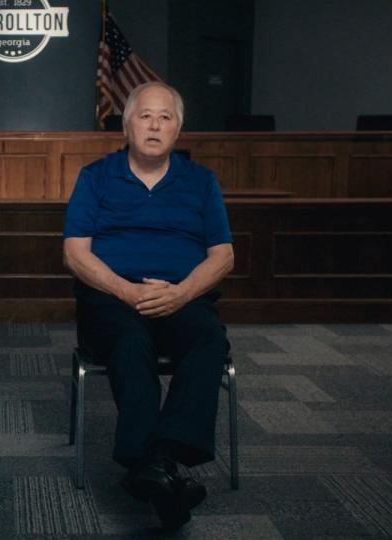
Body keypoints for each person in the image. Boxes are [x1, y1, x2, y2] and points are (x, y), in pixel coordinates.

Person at [63, 82, 234, 530]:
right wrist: (126, 290)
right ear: (126, 125)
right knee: (130, 340)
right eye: (145, 116)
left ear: (178, 129)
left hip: (183, 294)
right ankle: (164, 466)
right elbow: (75, 253)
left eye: (166, 117)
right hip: (112, 298)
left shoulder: (201, 182)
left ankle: (155, 462)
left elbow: (224, 256)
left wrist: (180, 293)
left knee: (209, 340)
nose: (155, 125)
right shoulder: (95, 176)